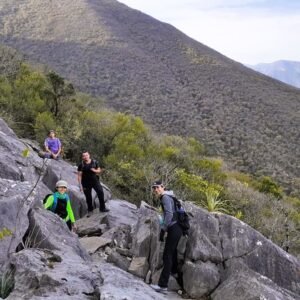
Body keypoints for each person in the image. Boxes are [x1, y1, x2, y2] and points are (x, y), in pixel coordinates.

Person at [150, 180, 182, 294]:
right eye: (154, 188)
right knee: (172, 252)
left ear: (163, 187)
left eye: (158, 187)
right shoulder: (170, 196)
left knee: (166, 255)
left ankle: (162, 285)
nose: (156, 190)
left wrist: (163, 229)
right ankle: (174, 272)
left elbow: (169, 214)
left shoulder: (165, 197)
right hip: (177, 228)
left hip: (174, 228)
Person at [77, 151, 109, 216]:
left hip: (95, 181)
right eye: (83, 156)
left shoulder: (94, 162)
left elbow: (99, 170)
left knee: (100, 192)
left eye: (86, 155)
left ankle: (102, 208)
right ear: (82, 157)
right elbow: (79, 175)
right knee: (88, 197)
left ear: (89, 155)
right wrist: (80, 186)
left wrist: (95, 170)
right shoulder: (81, 165)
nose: (85, 157)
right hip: (85, 182)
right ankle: (90, 210)